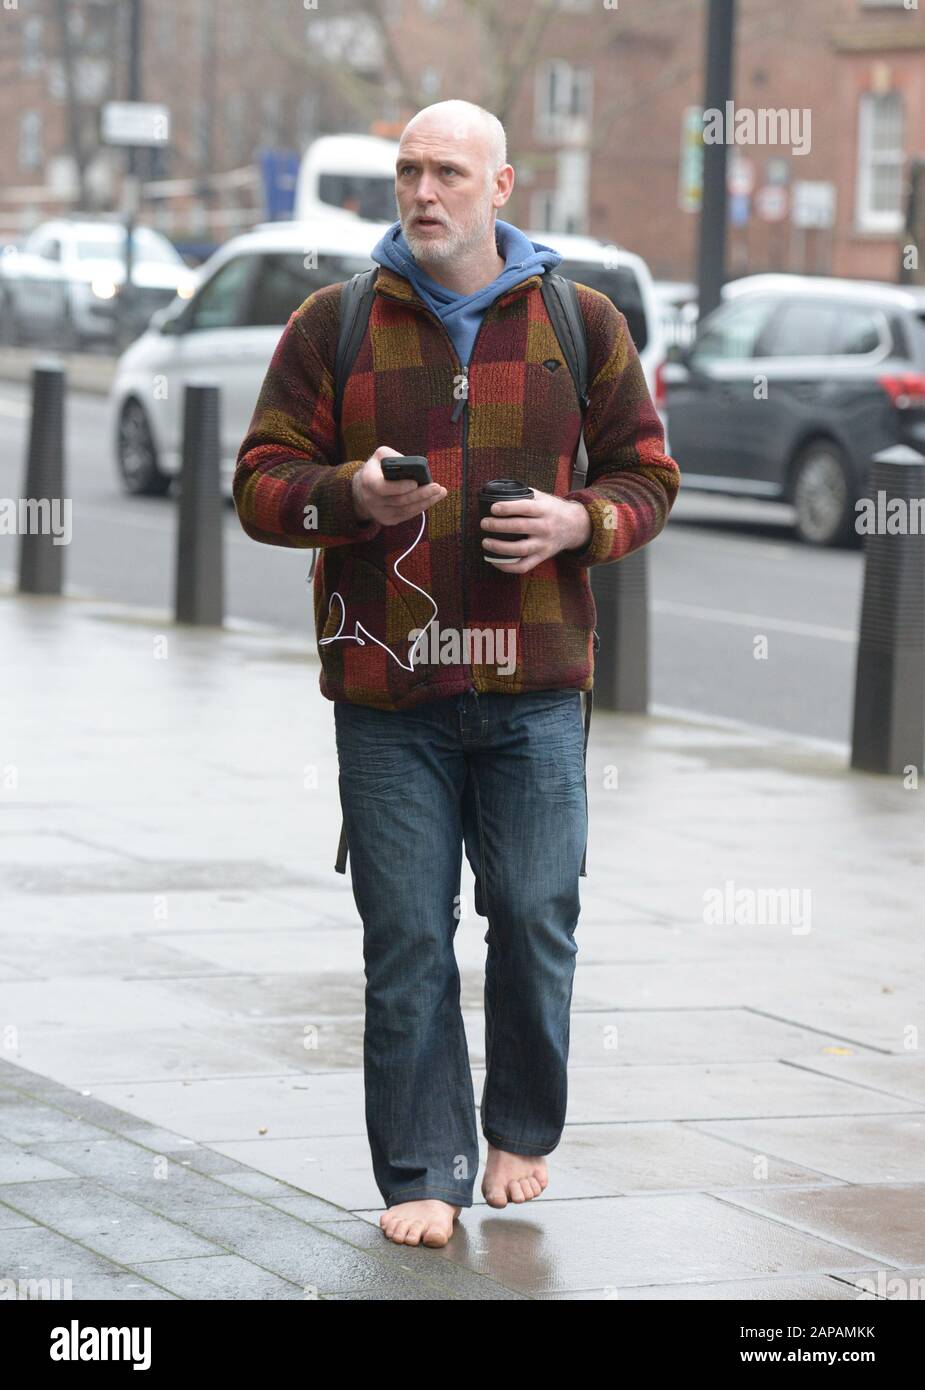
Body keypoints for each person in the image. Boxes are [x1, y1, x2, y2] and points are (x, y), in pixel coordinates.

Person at [233, 99, 681, 1250]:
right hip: (389, 695)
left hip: (533, 687)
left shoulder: (580, 323)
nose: (423, 193)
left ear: (501, 187)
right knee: (406, 935)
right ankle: (422, 1164)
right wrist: (348, 498)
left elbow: (648, 477)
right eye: (407, 172)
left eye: (446, 172)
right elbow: (260, 482)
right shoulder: (332, 324)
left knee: (534, 912)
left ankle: (520, 1127)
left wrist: (579, 526)